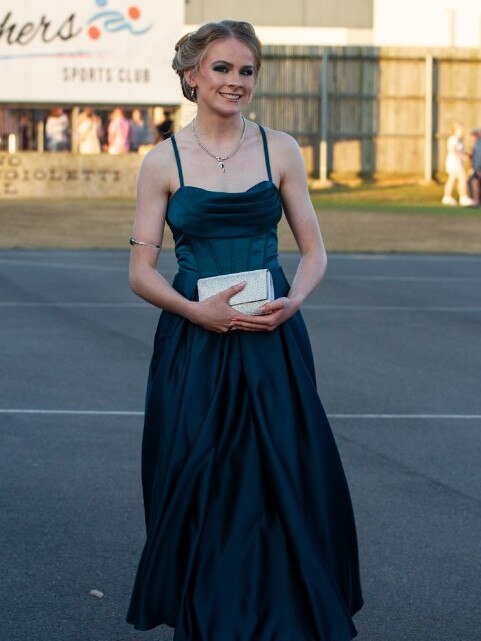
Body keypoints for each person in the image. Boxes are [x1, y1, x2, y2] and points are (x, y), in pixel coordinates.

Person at [126, 20, 363, 641]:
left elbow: (313, 252)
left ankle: (289, 611)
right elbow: (140, 273)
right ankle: (211, 612)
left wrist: (295, 301)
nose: (235, 82)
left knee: (282, 469)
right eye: (222, 69)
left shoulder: (280, 148)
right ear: (191, 75)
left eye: (246, 71)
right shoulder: (162, 161)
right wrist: (196, 312)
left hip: (270, 338)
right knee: (201, 473)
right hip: (196, 343)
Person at [442, 122, 474, 206]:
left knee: (452, 179)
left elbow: (461, 151)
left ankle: (447, 196)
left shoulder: (459, 140)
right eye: (461, 130)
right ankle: (463, 197)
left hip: (457, 163)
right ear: (455, 130)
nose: (462, 132)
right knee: (463, 178)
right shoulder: (453, 139)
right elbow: (454, 150)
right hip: (454, 163)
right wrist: (463, 157)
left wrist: (467, 155)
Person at [468, 127, 481, 206]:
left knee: (474, 182)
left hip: (478, 168)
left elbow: (479, 157)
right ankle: (476, 201)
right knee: (473, 182)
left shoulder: (478, 144)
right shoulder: (476, 144)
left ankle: (476, 201)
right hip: (477, 168)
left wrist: (479, 169)